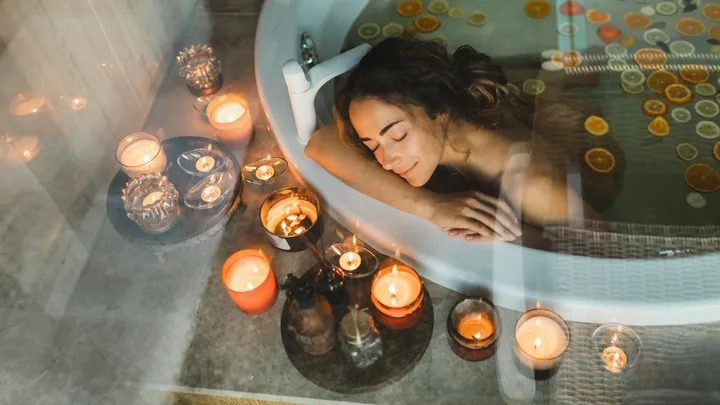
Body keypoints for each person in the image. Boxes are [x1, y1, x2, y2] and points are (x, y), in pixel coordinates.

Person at [305, 38, 621, 243]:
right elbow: (320, 143)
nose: (385, 161)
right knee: (540, 99)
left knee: (558, 113)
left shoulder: (529, 186)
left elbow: (605, 244)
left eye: (398, 135)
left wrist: (516, 235)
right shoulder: (451, 117)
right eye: (372, 144)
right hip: (521, 127)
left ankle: (571, 78)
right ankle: (563, 78)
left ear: (440, 111)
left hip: (588, 174)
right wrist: (430, 206)